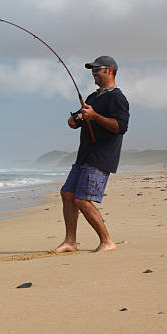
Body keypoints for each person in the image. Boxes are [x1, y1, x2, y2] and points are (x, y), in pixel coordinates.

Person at [53, 55, 130, 253]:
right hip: (84, 156)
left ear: (110, 70)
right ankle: (70, 241)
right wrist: (74, 120)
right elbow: (79, 120)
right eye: (92, 70)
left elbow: (120, 127)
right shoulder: (92, 97)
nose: (93, 73)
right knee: (67, 194)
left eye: (97, 69)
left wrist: (95, 116)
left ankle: (107, 241)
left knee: (82, 200)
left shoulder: (117, 98)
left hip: (101, 157)